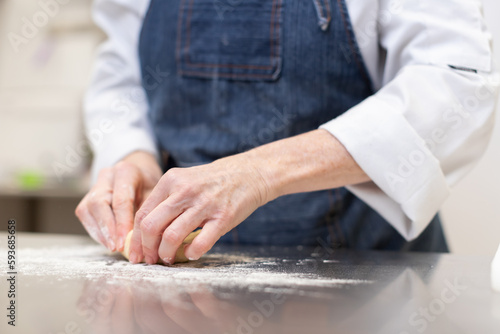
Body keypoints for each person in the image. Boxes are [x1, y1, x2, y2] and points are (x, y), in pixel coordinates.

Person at [76, 0, 498, 265]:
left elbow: (458, 83)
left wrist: (259, 173)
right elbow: (121, 69)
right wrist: (131, 152)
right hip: (178, 292)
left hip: (365, 288)